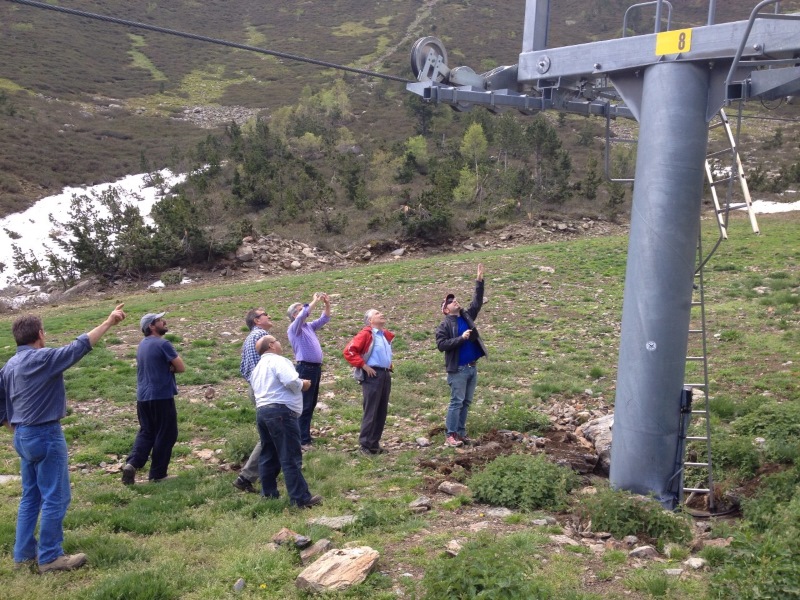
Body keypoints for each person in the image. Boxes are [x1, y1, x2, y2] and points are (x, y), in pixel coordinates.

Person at [0, 304, 126, 574]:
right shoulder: (42, 359)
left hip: (22, 436)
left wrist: (11, 424)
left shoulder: (9, 365)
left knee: (30, 496)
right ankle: (50, 557)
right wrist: (108, 322)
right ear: (40, 334)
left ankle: (23, 554)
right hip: (45, 433)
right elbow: (77, 348)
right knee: (56, 496)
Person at [251, 335, 322, 508]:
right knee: (290, 455)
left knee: (268, 454)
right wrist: (303, 384)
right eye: (276, 341)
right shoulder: (278, 361)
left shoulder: (257, 368)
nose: (280, 343)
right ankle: (300, 498)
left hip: (263, 411)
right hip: (281, 412)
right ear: (271, 346)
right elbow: (291, 381)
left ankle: (268, 494)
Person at [121, 312, 185, 485]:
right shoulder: (163, 343)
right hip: (161, 395)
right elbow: (181, 367)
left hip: (143, 397)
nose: (164, 321)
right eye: (159, 321)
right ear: (151, 326)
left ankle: (132, 463)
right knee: (167, 433)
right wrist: (170, 368)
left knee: (147, 431)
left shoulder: (142, 344)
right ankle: (158, 475)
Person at [436, 263, 488, 447]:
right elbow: (441, 345)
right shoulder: (444, 325)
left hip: (472, 368)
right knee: (456, 402)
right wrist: (461, 338)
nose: (455, 301)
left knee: (466, 402)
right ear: (446, 310)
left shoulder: (467, 316)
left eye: (455, 299)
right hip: (457, 369)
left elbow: (477, 302)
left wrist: (479, 280)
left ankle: (461, 433)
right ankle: (450, 435)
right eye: (450, 302)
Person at [232, 308, 274, 494]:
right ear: (257, 320)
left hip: (255, 388)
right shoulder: (263, 336)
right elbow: (272, 364)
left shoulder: (248, 339)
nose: (269, 316)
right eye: (265, 314)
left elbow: (243, 368)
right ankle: (246, 477)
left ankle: (268, 471)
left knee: (272, 434)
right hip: (265, 390)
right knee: (271, 434)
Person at [343, 309, 395, 455]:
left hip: (384, 374)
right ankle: (365, 445)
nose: (382, 314)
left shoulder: (383, 335)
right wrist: (364, 365)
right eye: (377, 313)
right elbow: (349, 351)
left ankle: (374, 444)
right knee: (371, 409)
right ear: (370, 320)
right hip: (373, 374)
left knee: (381, 410)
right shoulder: (366, 334)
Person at [286, 292, 331, 451]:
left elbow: (324, 318)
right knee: (305, 404)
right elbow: (303, 315)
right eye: (300, 308)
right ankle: (302, 440)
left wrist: (326, 303)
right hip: (305, 368)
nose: (305, 309)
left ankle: (305, 436)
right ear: (294, 314)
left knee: (310, 404)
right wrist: (313, 301)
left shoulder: (308, 326)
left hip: (314, 368)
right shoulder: (295, 327)